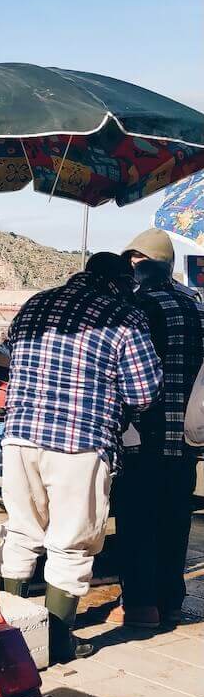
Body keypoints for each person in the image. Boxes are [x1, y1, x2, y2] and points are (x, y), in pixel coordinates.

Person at [0, 252, 162, 662]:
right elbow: (144, 392)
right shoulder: (123, 317)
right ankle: (55, 643)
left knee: (20, 533)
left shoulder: (36, 303)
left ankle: (2, 640)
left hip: (19, 436)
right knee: (70, 544)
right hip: (80, 443)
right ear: (119, 281)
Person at [111, 243, 204, 628]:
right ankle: (172, 602)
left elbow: (134, 381)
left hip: (144, 436)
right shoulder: (198, 308)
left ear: (138, 278)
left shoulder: (137, 310)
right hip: (186, 438)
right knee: (175, 521)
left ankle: (141, 606)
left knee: (137, 522)